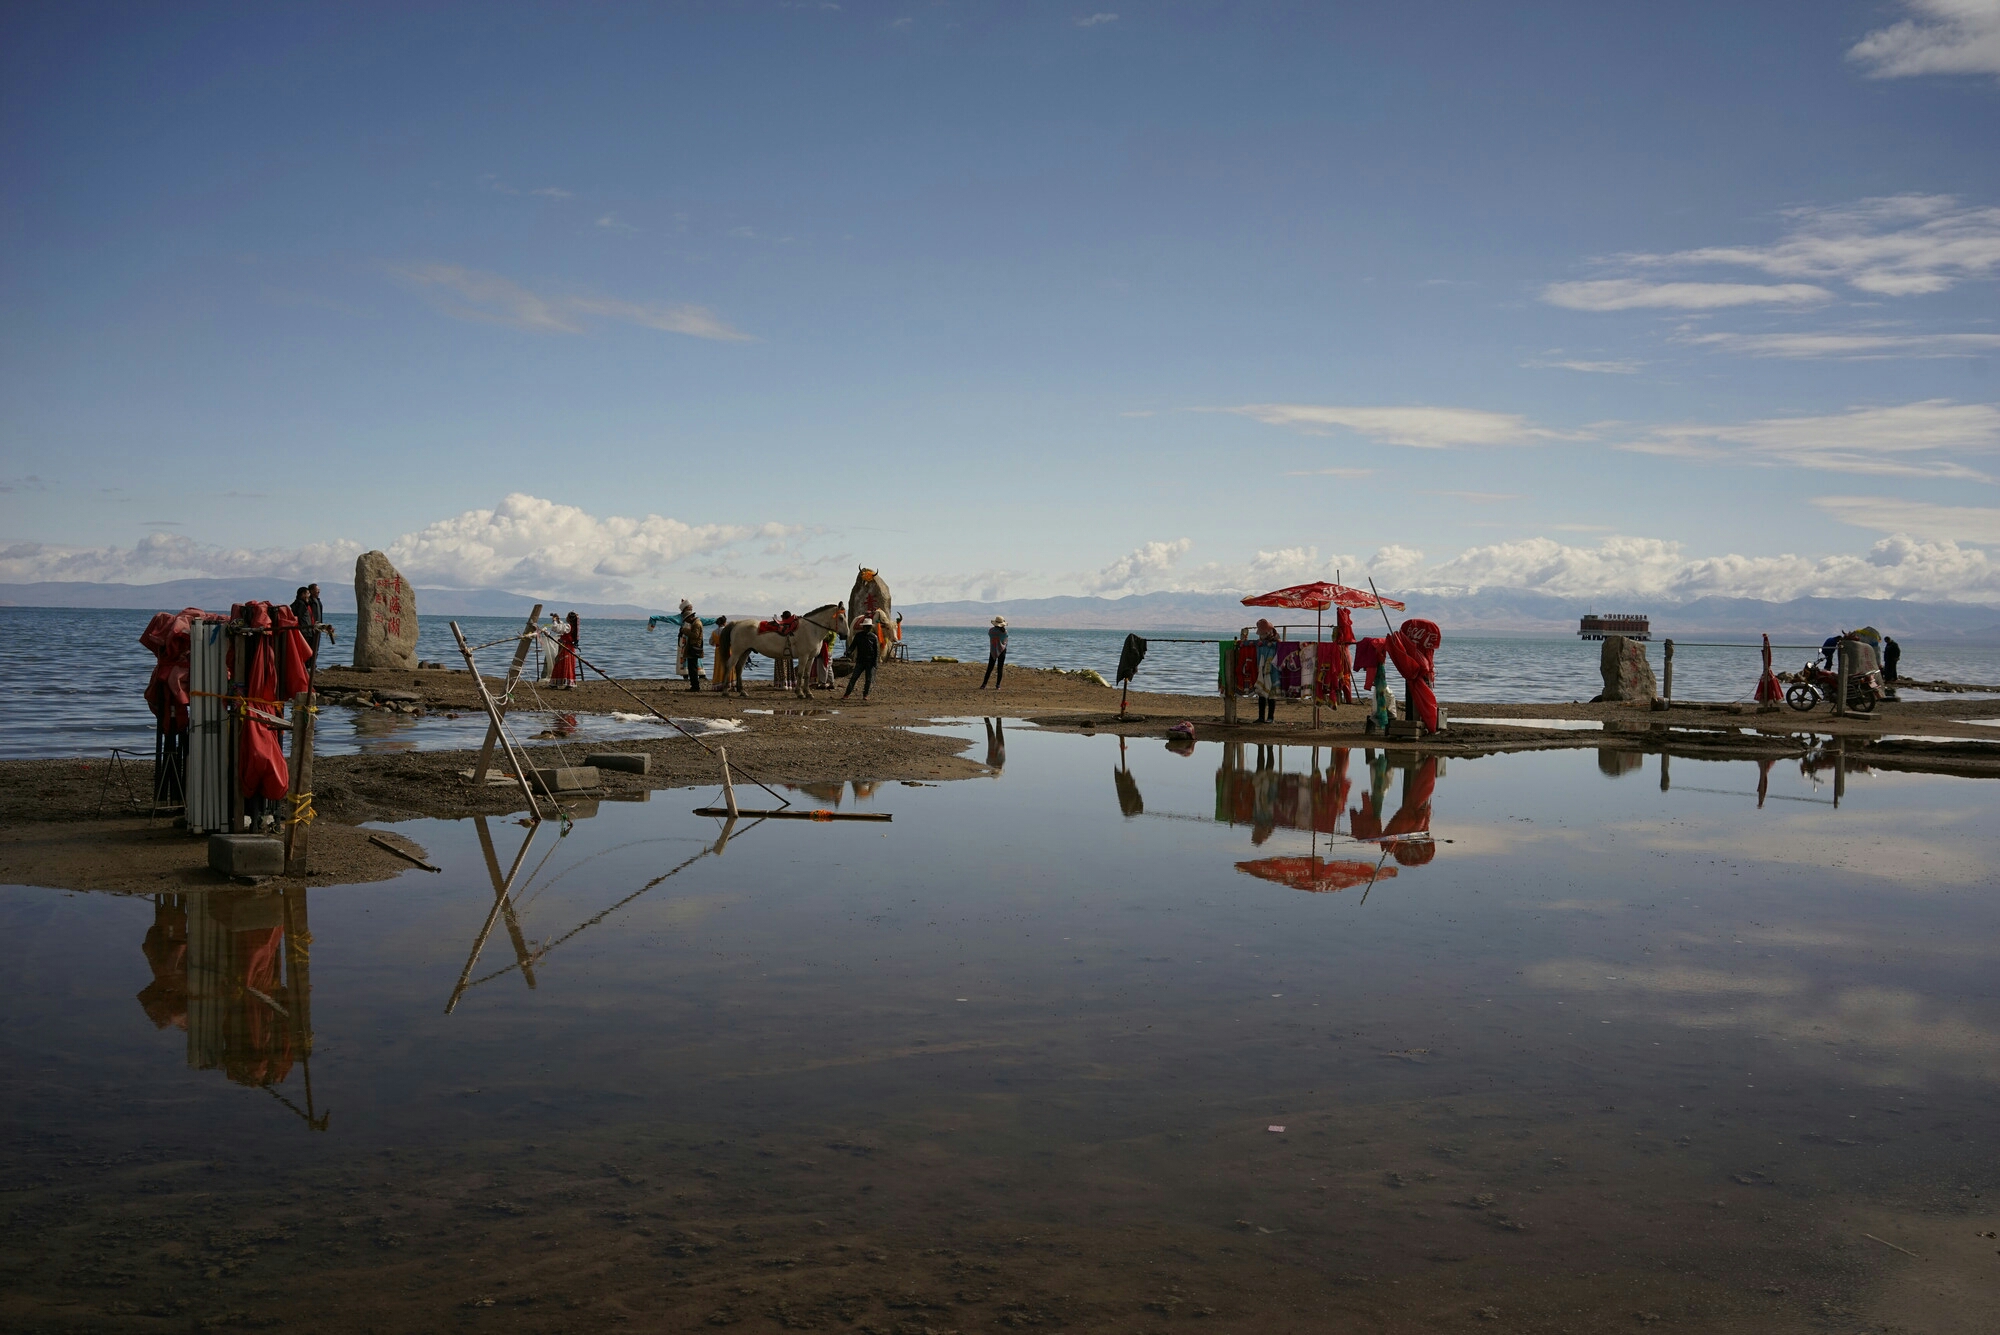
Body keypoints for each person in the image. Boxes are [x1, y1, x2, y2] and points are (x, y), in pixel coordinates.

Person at [843, 615, 879, 700]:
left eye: (868, 627)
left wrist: (875, 663)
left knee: (868, 679)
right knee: (854, 678)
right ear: (863, 627)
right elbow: (852, 646)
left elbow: (876, 651)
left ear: (870, 627)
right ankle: (846, 694)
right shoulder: (858, 636)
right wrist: (848, 652)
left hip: (870, 661)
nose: (867, 628)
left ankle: (865, 695)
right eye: (866, 627)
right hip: (860, 660)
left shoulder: (874, 637)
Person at [1254, 618, 1281, 723]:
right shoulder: (1261, 643)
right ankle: (1261, 717)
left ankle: (1270, 717)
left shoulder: (1276, 642)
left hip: (1273, 671)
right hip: (1262, 669)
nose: (1260, 636)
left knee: (1271, 695)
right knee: (1261, 694)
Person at [676, 599, 704, 692]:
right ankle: (694, 685)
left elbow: (695, 635)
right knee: (692, 668)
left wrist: (684, 631)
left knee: (693, 668)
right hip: (693, 648)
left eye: (687, 619)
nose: (687, 621)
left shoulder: (696, 624)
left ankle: (695, 686)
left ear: (690, 617)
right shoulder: (696, 623)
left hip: (694, 648)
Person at [553, 612, 581, 688]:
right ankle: (566, 682)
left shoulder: (568, 626)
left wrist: (554, 621)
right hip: (568, 647)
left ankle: (564, 683)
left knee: (563, 663)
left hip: (565, 648)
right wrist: (559, 621)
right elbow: (562, 627)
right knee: (565, 664)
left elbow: (557, 629)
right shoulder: (572, 626)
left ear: (569, 618)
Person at [981, 616, 1008, 689]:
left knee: (990, 667)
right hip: (1002, 650)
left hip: (993, 650)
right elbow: (1005, 641)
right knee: (1000, 668)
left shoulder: (991, 631)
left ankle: (984, 684)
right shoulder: (1004, 632)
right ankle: (998, 685)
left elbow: (991, 636)